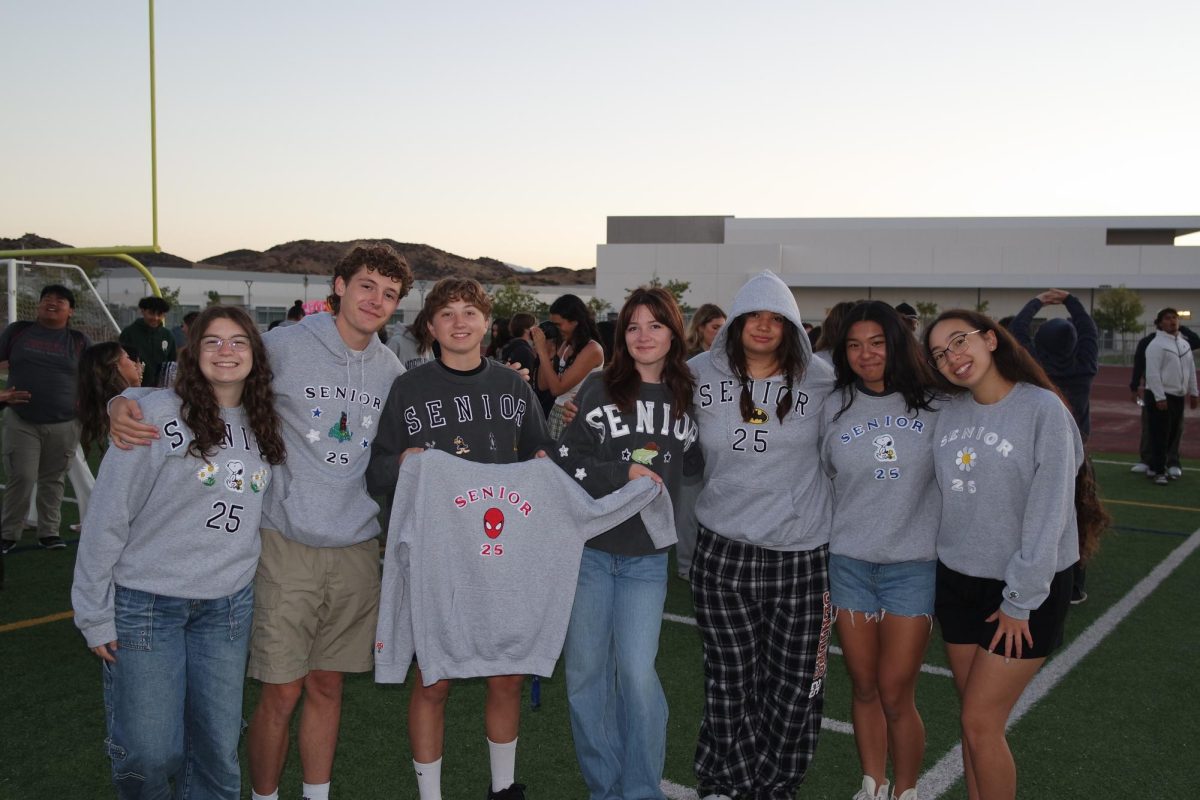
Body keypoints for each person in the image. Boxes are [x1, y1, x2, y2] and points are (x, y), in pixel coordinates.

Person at [109, 243, 413, 800]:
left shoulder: (392, 369)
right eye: (367, 285)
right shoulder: (284, 345)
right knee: (282, 692)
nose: (376, 300)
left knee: (327, 685)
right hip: (283, 541)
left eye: (389, 294)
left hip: (355, 548)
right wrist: (125, 400)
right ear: (339, 286)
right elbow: (204, 379)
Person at [71, 305, 286, 799]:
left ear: (256, 354)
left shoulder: (266, 422)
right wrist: (93, 612)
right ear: (194, 352)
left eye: (238, 341)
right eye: (213, 341)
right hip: (147, 604)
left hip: (226, 607)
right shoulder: (155, 414)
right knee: (149, 753)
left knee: (217, 749)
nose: (226, 351)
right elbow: (107, 517)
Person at [367, 276, 551, 800]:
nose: (459, 322)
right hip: (437, 554)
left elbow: (540, 455)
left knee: (506, 676)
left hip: (502, 552)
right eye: (447, 314)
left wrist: (545, 464)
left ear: (487, 324)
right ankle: (431, 795)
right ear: (430, 327)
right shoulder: (409, 387)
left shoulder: (513, 387)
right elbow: (375, 473)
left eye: (470, 312)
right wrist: (402, 462)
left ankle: (503, 787)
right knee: (434, 678)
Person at [923, 310, 1107, 800]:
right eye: (940, 353)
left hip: (1025, 590)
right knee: (974, 723)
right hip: (959, 582)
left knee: (979, 721)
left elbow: (1051, 513)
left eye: (959, 341)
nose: (952, 357)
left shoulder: (1043, 409)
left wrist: (1019, 599)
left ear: (990, 339)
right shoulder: (948, 410)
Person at [687, 270, 836, 800]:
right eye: (755, 316)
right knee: (730, 680)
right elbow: (642, 402)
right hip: (723, 551)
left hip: (802, 554)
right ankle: (724, 779)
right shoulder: (697, 373)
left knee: (797, 686)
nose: (765, 327)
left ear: (793, 326)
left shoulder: (822, 380)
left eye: (777, 319)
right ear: (737, 321)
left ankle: (777, 783)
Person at [554, 287, 699, 800]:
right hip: (591, 552)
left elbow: (701, 462)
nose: (643, 336)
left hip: (646, 559)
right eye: (633, 326)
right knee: (585, 679)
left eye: (655, 325)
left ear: (673, 333)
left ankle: (641, 790)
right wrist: (622, 470)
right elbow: (564, 463)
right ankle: (604, 787)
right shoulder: (598, 387)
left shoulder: (689, 394)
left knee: (637, 677)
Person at [822, 301, 940, 800]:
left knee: (895, 692)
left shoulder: (938, 404)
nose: (865, 354)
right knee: (864, 686)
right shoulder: (833, 404)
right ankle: (872, 784)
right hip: (849, 563)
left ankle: (905, 791)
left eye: (876, 342)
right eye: (853, 345)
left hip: (912, 566)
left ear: (897, 342)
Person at [1009, 288, 1098, 602]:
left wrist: (1037, 302)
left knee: (1033, 519)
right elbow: (1090, 331)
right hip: (1077, 458)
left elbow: (1016, 334)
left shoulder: (1033, 369)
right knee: (1076, 520)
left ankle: (1029, 579)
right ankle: (1073, 586)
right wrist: (1071, 301)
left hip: (1033, 454)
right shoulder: (1084, 367)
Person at [0, 284, 92, 554]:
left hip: (65, 422)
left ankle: (49, 532)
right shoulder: (18, 332)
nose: (52, 302)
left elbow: (93, 376)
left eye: (60, 300)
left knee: (54, 479)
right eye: (47, 298)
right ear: (38, 306)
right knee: (23, 476)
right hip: (23, 419)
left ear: (70, 311)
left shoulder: (78, 340)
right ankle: (8, 532)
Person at [676, 303, 725, 580]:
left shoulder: (728, 362)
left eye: (723, 327)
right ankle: (686, 565)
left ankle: (710, 560)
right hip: (691, 445)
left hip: (717, 446)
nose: (720, 332)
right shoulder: (689, 362)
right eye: (715, 327)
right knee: (689, 508)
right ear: (701, 328)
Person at [1129, 316, 1200, 474]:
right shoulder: (1149, 342)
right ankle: (1147, 459)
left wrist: (1180, 328)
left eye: (1174, 319)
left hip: (1175, 393)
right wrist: (1134, 387)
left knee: (1175, 428)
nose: (1171, 322)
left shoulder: (1181, 342)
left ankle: (1172, 460)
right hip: (1153, 392)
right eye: (1167, 319)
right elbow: (1139, 365)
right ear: (1159, 322)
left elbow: (1197, 341)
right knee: (1150, 427)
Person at [531, 294, 605, 437]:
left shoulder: (592, 349)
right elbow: (543, 384)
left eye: (558, 324)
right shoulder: (566, 345)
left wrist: (542, 352)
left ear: (575, 321)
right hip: (557, 414)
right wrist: (546, 352)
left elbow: (557, 389)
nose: (556, 329)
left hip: (575, 418)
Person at [77, 342, 143, 453]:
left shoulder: (90, 417)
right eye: (128, 357)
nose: (135, 364)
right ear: (114, 366)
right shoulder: (132, 411)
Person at [120, 295, 176, 387]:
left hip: (161, 390)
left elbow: (172, 363)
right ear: (142, 311)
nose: (155, 318)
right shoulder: (129, 333)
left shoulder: (168, 335)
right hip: (136, 388)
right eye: (151, 313)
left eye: (159, 314)